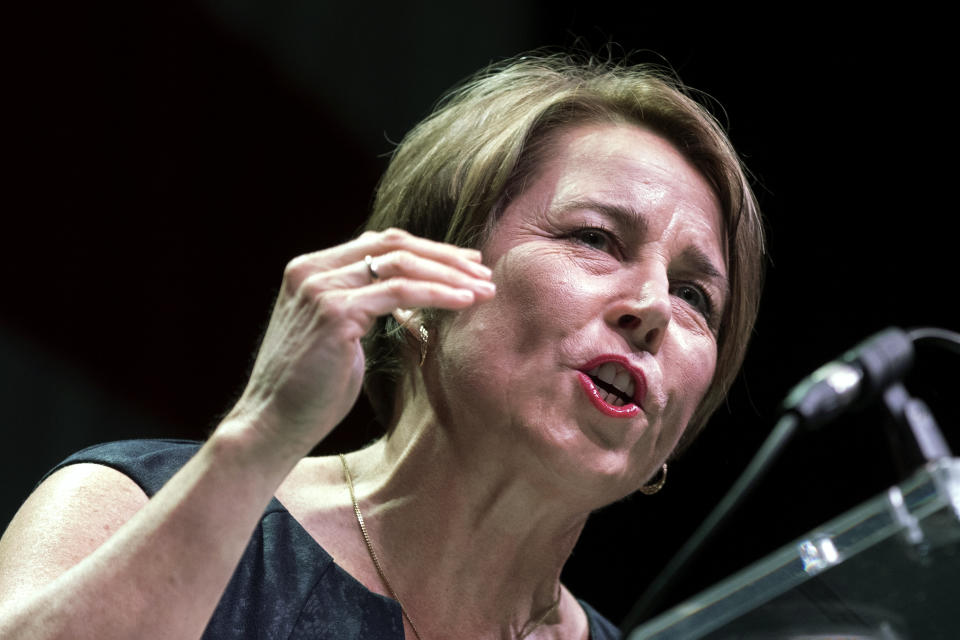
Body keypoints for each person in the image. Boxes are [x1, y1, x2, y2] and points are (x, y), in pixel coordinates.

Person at [0, 53, 764, 639]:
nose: (652, 307)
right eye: (595, 238)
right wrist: (261, 435)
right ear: (421, 281)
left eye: (697, 297)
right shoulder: (126, 505)